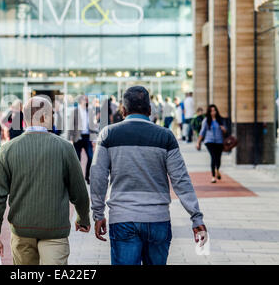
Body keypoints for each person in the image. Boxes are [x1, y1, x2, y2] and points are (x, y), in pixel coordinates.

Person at [90, 86, 207, 265]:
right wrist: (195, 217)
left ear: (123, 110)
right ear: (150, 110)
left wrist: (98, 214)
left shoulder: (108, 134)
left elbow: (98, 176)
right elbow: (181, 180)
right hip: (158, 219)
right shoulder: (166, 136)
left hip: (123, 218)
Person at [0, 96, 90, 265]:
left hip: (22, 229)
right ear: (48, 117)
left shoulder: (7, 150)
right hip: (55, 229)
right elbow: (79, 191)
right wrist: (83, 218)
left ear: (24, 118)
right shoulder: (65, 148)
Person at [67, 95, 98, 184]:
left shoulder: (90, 111)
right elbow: (71, 125)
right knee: (77, 159)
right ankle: (77, 178)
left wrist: (94, 139)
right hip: (78, 138)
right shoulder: (75, 111)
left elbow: (92, 126)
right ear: (81, 101)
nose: (86, 101)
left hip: (87, 137)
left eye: (87, 100)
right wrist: (70, 139)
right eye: (85, 100)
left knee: (91, 157)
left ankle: (87, 176)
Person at [196, 105, 227, 183]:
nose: (213, 112)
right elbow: (202, 132)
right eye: (211, 111)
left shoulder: (220, 120)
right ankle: (213, 177)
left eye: (214, 110)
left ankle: (217, 170)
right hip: (209, 141)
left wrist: (223, 129)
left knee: (218, 158)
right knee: (213, 157)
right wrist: (198, 142)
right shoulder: (206, 120)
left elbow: (225, 131)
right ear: (209, 112)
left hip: (219, 141)